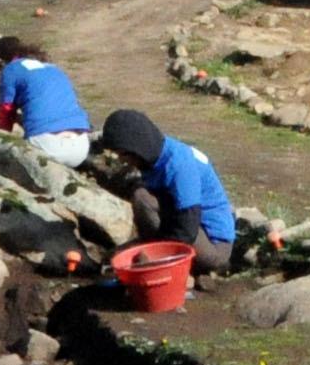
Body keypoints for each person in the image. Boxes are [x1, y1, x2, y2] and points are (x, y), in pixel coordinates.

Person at [95, 107, 237, 271]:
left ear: (136, 149)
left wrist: (157, 258)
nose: (122, 160)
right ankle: (155, 246)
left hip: (213, 244)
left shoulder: (179, 166)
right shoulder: (158, 154)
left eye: (124, 155)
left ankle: (174, 265)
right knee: (141, 197)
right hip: (185, 224)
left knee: (143, 203)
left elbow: (187, 229)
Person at [0, 35, 95, 166]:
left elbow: (6, 112)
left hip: (47, 145)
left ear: (0, 61)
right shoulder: (52, 68)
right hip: (81, 146)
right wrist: (18, 119)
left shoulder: (10, 69)